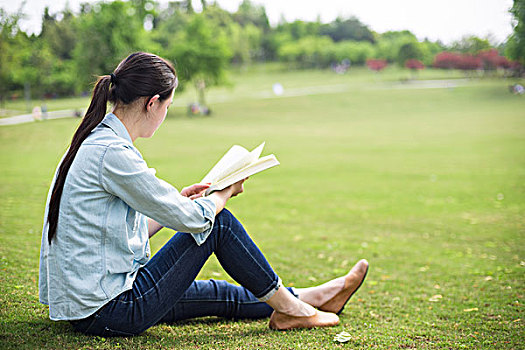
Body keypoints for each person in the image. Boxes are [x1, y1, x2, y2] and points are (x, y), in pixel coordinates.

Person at [39, 52, 369, 337]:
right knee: (218, 224)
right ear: (153, 103)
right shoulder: (112, 153)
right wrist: (222, 194)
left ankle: (316, 295)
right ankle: (293, 311)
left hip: (96, 304)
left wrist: (181, 202)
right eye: (168, 104)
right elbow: (198, 221)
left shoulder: (96, 141)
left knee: (215, 294)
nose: (166, 113)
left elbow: (121, 229)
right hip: (111, 309)